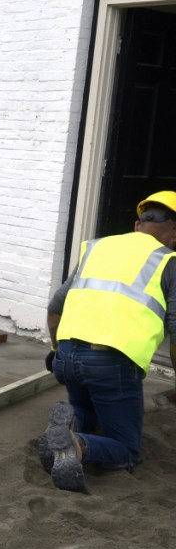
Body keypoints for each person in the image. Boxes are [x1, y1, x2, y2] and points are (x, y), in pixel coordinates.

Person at [41, 191, 176, 492]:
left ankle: (70, 430)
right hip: (111, 364)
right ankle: (77, 445)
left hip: (66, 355)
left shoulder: (97, 247)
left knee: (89, 410)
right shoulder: (169, 261)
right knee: (126, 449)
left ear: (138, 225)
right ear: (174, 231)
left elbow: (54, 309)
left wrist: (54, 349)